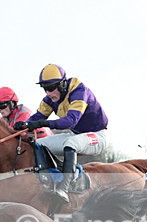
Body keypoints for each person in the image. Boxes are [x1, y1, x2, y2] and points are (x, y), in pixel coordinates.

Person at [13, 64, 109, 203]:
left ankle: (63, 188)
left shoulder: (79, 91)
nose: (48, 92)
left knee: (71, 144)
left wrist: (41, 124)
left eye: (51, 88)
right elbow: (38, 117)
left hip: (97, 136)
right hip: (75, 134)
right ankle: (49, 179)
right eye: (45, 88)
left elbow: (70, 121)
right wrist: (24, 124)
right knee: (38, 144)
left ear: (63, 84)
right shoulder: (49, 100)